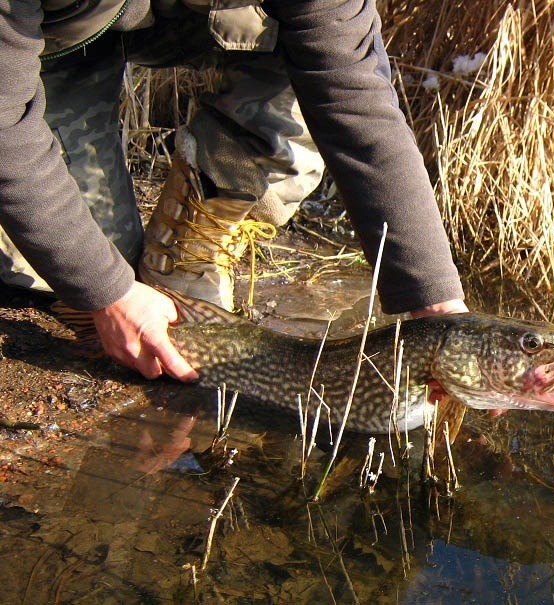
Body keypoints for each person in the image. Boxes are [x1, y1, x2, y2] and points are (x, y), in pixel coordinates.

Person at [0, 0, 467, 382]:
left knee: (315, 71)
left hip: (198, 23)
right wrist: (108, 292)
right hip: (52, 41)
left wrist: (433, 298)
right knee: (48, 275)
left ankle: (186, 245)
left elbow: (358, 106)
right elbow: (4, 128)